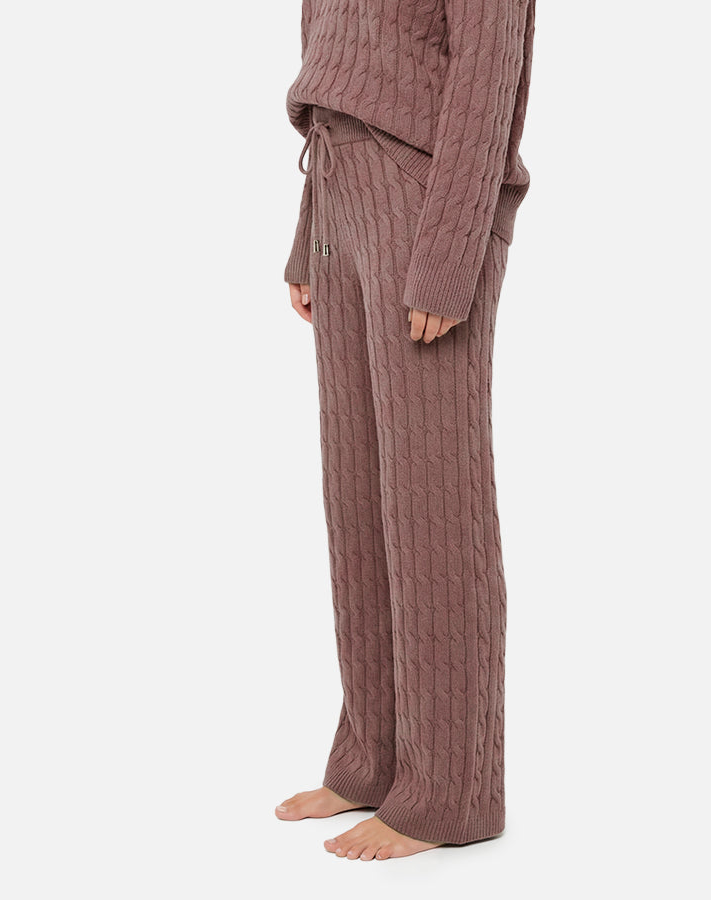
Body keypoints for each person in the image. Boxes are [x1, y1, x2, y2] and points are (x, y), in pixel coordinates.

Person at [275, 0, 537, 860]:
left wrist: (451, 256)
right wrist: (308, 234)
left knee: (433, 504)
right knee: (356, 495)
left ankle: (450, 792)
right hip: (339, 194)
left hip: (423, 204)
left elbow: (487, 83)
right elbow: (333, 67)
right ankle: (373, 759)